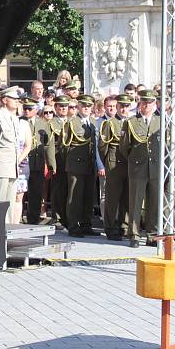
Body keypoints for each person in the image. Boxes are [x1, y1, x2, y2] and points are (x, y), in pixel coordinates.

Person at [119, 89, 161, 247]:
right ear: (140, 104)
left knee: (154, 202)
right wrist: (134, 159)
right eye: (144, 102)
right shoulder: (131, 122)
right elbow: (124, 147)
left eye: (150, 103)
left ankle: (152, 234)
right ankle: (134, 234)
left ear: (155, 104)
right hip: (137, 167)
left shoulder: (161, 121)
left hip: (155, 167)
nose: (147, 106)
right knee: (136, 202)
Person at [0, 87, 31, 224]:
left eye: (18, 100)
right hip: (0, 165)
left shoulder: (15, 119)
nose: (17, 101)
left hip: (13, 166)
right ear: (5, 100)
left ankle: (6, 231)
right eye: (14, 99)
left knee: (10, 203)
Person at [63, 94, 103, 237]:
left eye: (89, 106)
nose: (86, 108)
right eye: (83, 105)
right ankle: (73, 226)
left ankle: (86, 225)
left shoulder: (93, 122)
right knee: (75, 197)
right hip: (76, 165)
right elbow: (65, 145)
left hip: (90, 164)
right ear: (78, 106)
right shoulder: (72, 122)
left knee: (88, 197)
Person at [22, 98, 55, 225]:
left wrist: (52, 164)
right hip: (23, 163)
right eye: (25, 108)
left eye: (29, 109)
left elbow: (48, 145)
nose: (26, 111)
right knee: (20, 193)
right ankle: (17, 218)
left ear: (36, 110)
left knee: (36, 192)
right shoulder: (20, 121)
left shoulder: (43, 123)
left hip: (37, 162)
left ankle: (33, 218)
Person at [98, 95, 128, 241]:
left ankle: (124, 226)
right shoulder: (109, 124)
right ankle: (110, 227)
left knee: (126, 198)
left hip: (128, 164)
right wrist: (107, 160)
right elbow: (102, 146)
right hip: (114, 162)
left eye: (126, 106)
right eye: (121, 106)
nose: (123, 109)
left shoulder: (132, 122)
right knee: (112, 198)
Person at [49, 95, 71, 229]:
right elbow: (50, 145)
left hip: (70, 159)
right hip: (58, 159)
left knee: (68, 189)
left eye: (65, 106)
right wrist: (52, 164)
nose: (63, 108)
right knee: (58, 189)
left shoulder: (71, 121)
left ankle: (67, 216)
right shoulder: (52, 123)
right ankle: (57, 217)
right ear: (56, 107)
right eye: (60, 106)